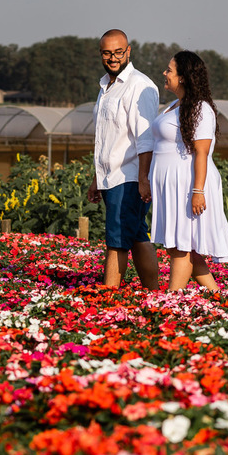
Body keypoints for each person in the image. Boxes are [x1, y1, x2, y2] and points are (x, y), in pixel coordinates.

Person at [149, 50, 228, 291]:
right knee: (177, 246)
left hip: (188, 185)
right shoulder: (173, 106)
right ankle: (218, 295)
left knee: (181, 247)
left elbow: (202, 152)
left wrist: (197, 191)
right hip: (171, 186)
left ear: (184, 77)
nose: (164, 73)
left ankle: (171, 300)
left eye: (169, 70)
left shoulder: (201, 109)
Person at [87, 29, 160, 290]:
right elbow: (105, 138)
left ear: (128, 51)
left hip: (129, 176)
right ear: (101, 54)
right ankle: (155, 293)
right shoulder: (105, 86)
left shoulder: (140, 86)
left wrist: (143, 178)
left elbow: (145, 138)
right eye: (107, 53)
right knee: (137, 234)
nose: (113, 57)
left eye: (118, 52)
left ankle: (108, 294)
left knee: (117, 237)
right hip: (110, 176)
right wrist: (96, 178)